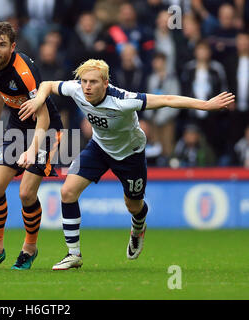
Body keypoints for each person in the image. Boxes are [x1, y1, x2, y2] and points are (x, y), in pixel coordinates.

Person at [18, 58, 234, 270]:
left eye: (93, 82)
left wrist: (205, 105)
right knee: (67, 192)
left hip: (130, 154)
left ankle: (138, 226)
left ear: (105, 83)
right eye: (84, 81)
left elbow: (167, 99)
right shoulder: (76, 89)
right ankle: (73, 254)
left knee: (133, 205)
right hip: (99, 148)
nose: (87, 87)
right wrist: (38, 100)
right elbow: (47, 85)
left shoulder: (124, 100)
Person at [0, 21, 63, 270]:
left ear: (13, 47)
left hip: (46, 129)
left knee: (26, 193)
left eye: (1, 45)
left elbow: (44, 116)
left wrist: (32, 149)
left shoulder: (25, 73)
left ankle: (29, 249)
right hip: (17, 124)